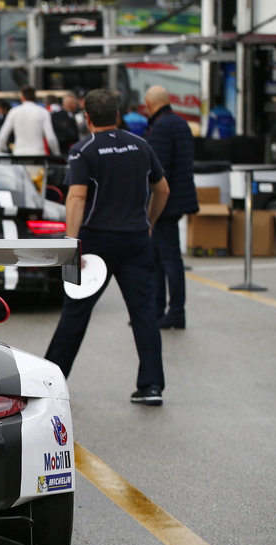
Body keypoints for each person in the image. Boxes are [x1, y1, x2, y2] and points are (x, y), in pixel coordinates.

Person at [43, 88, 170, 406]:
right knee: (143, 312)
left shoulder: (83, 150)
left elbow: (77, 196)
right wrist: (149, 223)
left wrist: (71, 245)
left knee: (76, 311)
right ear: (117, 115)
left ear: (87, 118)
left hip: (96, 241)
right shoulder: (141, 145)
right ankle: (152, 386)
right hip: (136, 239)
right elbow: (163, 190)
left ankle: (49, 382)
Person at [145, 84, 199, 330]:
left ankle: (175, 312)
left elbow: (158, 172)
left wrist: (149, 207)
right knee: (161, 258)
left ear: (150, 105)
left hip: (165, 202)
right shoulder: (180, 123)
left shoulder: (161, 127)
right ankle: (158, 311)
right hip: (179, 199)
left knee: (167, 259)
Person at [0, 86, 60, 156]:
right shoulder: (43, 112)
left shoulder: (14, 112)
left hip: (19, 153)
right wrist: (57, 154)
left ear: (22, 97)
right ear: (35, 97)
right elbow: (51, 138)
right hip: (38, 153)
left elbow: (2, 136)